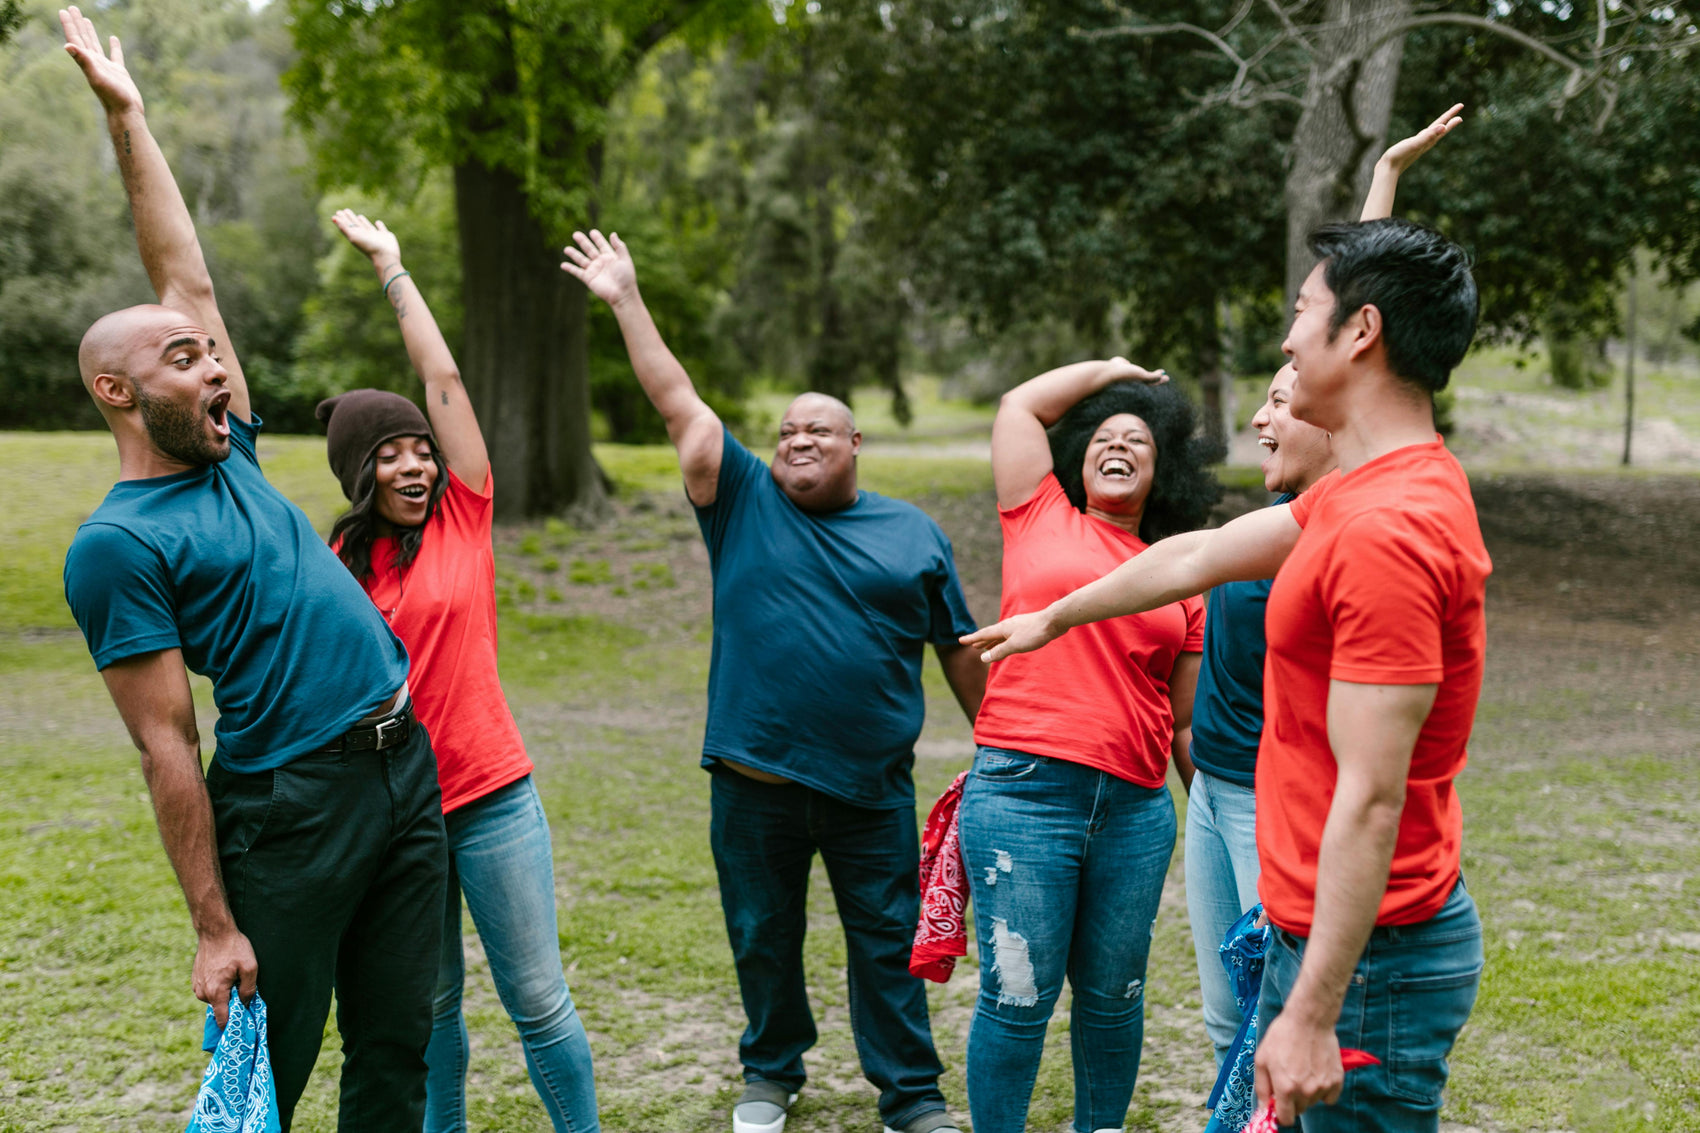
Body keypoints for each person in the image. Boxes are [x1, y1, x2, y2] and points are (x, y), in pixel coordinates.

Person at [962, 214, 1488, 1131]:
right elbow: (1196, 555)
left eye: (1302, 311)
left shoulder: (1388, 530)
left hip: (1371, 964)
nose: (1287, 339)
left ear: (1361, 332)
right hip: (1337, 938)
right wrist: (1054, 612)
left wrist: (1314, 1011)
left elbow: (1372, 797)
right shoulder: (1354, 492)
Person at [56, 10, 446, 1130]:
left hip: (399, 764)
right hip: (291, 808)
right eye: (184, 358)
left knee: (395, 1043)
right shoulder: (119, 543)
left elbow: (181, 270)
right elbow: (166, 742)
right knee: (269, 1067)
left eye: (210, 351)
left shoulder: (231, 447)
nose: (214, 364)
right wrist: (213, 923)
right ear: (120, 394)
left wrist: (128, 119)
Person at [561, 228, 987, 1133]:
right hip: (755, 784)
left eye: (818, 429)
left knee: (887, 945)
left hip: (872, 790)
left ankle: (910, 1094)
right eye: (787, 428)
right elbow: (679, 403)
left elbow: (957, 646)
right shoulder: (741, 500)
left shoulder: (913, 533)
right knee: (763, 939)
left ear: (855, 442)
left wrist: (999, 745)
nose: (798, 438)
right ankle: (770, 1071)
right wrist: (626, 297)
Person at [1186, 107, 1464, 1071]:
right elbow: (1350, 303)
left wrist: (1379, 207)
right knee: (1229, 1020)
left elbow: (1359, 328)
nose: (1271, 408)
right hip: (1214, 779)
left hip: (1284, 807)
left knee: (1275, 1016)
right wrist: (1380, 178)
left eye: (1279, 392)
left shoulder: (1357, 500)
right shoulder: (1284, 509)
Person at [315, 211, 601, 1133]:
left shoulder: (463, 516)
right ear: (360, 473)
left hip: (490, 793)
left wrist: (394, 270)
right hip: (397, 811)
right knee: (431, 1007)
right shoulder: (337, 560)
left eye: (420, 449)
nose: (414, 463)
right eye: (389, 454)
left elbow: (441, 380)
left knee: (539, 1000)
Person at [960, 359, 1221, 1133]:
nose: (1117, 444)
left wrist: (1217, 814)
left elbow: (1184, 724)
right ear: (1075, 458)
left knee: (1115, 997)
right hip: (1022, 793)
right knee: (1016, 996)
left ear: (1161, 466)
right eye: (1103, 435)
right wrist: (1114, 371)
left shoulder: (1182, 572)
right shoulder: (1037, 513)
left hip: (1136, 813)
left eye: (1137, 439)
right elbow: (1017, 404)